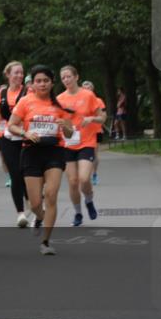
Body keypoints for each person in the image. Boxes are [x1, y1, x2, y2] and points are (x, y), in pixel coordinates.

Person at [7, 65, 75, 255]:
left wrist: (65, 126)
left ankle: (45, 241)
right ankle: (40, 217)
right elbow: (12, 125)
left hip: (55, 151)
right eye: (38, 81)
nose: (42, 84)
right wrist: (25, 132)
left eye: (46, 80)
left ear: (52, 83)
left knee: (51, 195)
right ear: (33, 83)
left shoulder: (59, 104)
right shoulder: (25, 102)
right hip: (31, 152)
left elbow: (69, 134)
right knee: (36, 203)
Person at [58, 66, 106, 227]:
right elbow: (59, 122)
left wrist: (91, 118)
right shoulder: (59, 99)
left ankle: (89, 200)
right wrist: (62, 125)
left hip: (86, 142)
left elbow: (102, 117)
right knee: (72, 181)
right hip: (68, 143)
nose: (66, 80)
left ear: (76, 77)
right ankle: (78, 213)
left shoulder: (88, 95)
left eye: (68, 76)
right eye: (63, 78)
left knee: (84, 179)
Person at [0, 61, 29, 227]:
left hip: (26, 137)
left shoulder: (28, 91)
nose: (19, 76)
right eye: (16, 73)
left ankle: (34, 203)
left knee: (27, 173)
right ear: (8, 75)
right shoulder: (1, 93)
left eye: (21, 73)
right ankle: (20, 213)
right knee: (15, 175)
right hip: (7, 138)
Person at [82, 81, 105, 185]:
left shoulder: (98, 101)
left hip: (96, 131)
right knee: (84, 154)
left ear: (92, 89)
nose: (87, 90)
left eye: (89, 88)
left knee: (93, 154)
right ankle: (85, 175)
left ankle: (94, 174)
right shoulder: (80, 101)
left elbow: (103, 116)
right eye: (85, 88)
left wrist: (92, 119)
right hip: (83, 131)